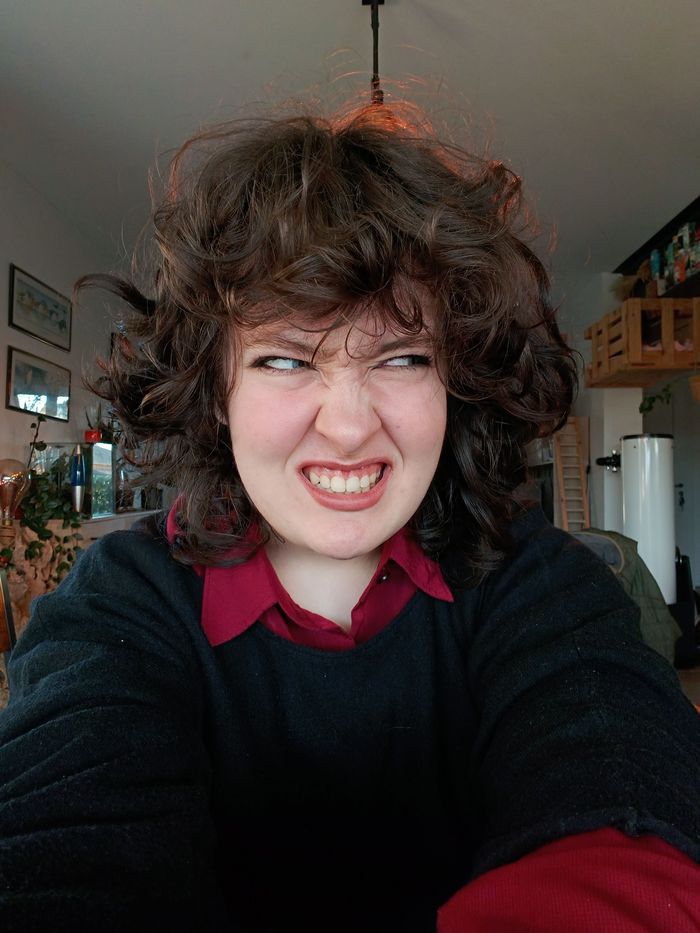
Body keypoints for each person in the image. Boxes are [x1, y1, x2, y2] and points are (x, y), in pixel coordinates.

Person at [1, 103, 700, 933]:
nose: (347, 425)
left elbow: (629, 819)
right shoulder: (118, 603)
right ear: (216, 389)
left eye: (402, 356)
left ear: (454, 382)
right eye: (284, 358)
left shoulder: (539, 581)